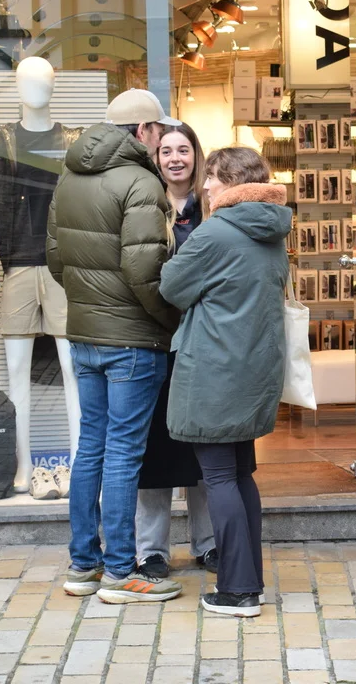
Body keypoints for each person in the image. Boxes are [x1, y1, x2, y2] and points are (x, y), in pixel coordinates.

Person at [47, 89, 183, 603]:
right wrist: (168, 322)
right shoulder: (140, 182)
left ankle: (84, 565)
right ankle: (122, 572)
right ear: (143, 130)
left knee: (91, 448)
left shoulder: (68, 177)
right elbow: (145, 270)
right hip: (133, 340)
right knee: (124, 453)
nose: (159, 143)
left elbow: (56, 260)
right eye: (158, 132)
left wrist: (92, 303)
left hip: (84, 334)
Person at [160, 147, 291, 618]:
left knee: (219, 478)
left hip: (215, 371)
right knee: (239, 475)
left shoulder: (215, 232)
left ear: (231, 181)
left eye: (212, 177)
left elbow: (171, 286)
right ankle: (249, 582)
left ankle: (237, 591)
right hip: (254, 371)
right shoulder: (271, 229)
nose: (206, 185)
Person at [136, 123, 217, 579]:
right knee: (155, 450)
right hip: (156, 341)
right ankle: (151, 550)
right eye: (165, 151)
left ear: (195, 155)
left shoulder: (212, 206)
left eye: (183, 149)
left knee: (205, 448)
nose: (174, 159)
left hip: (205, 343)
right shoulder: (145, 204)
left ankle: (208, 544)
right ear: (156, 159)